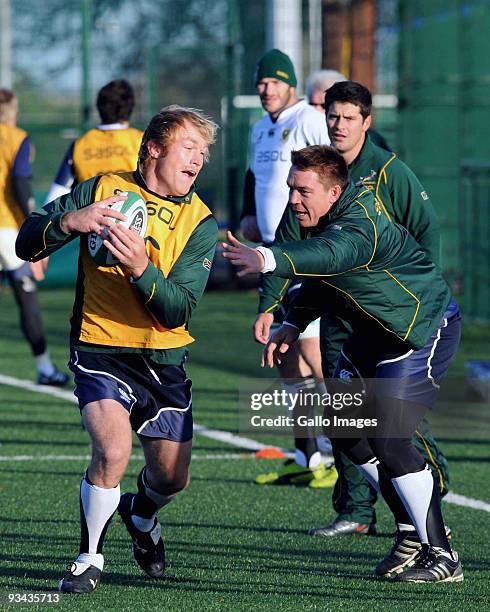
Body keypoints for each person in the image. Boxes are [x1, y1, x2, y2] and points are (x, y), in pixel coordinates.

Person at [223, 145, 463, 584]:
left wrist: (267, 258)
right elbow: (320, 281)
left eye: (303, 191)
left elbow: (328, 258)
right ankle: (410, 529)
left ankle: (442, 555)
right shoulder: (319, 218)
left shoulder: (359, 226)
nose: (294, 199)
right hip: (374, 332)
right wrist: (291, 324)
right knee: (344, 427)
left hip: (420, 328)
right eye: (291, 188)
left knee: (389, 439)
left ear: (334, 192)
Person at [16, 105, 219, 593]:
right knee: (112, 449)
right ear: (154, 148)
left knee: (170, 479)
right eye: (190, 148)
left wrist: (140, 269)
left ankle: (142, 513)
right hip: (100, 347)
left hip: (164, 359)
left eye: (204, 153)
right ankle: (88, 559)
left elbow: (178, 310)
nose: (199, 160)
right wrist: (70, 220)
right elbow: (27, 244)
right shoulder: (104, 188)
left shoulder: (201, 221)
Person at [256, 81, 450, 542]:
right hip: (339, 308)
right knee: (342, 415)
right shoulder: (315, 171)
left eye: (348, 117)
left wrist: (412, 299)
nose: (338, 125)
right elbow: (293, 242)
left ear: (366, 122)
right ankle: (360, 510)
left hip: (392, 315)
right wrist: (276, 307)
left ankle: (430, 496)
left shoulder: (386, 172)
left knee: (389, 422)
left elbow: (424, 232)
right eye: (332, 116)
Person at [240, 49, 336, 487]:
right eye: (261, 83)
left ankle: (351, 454)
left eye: (274, 82)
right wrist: (247, 215)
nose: (266, 89)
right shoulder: (261, 128)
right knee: (284, 357)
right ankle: (308, 453)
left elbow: (333, 175)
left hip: (305, 255)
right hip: (272, 254)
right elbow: (252, 179)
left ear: (291, 85)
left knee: (317, 356)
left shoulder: (308, 120)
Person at [0, 89, 68, 386]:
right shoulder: (17, 138)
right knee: (25, 297)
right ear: (12, 111)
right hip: (7, 229)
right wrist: (31, 220)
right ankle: (44, 368)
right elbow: (20, 179)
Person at [45, 79, 143, 203]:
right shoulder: (142, 141)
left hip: (91, 217)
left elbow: (55, 196)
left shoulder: (80, 145)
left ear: (99, 107)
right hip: (133, 216)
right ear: (131, 108)